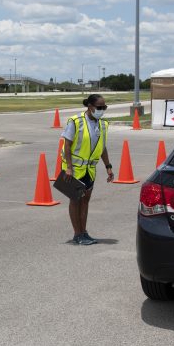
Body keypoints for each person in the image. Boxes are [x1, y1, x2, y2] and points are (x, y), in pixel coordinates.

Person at [61, 94, 114, 245]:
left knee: (85, 201)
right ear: (90, 106)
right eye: (100, 107)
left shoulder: (102, 124)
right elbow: (67, 146)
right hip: (75, 169)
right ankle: (77, 234)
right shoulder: (76, 121)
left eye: (104, 107)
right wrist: (69, 168)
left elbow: (102, 147)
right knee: (75, 200)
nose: (102, 110)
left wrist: (108, 167)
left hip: (90, 170)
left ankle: (84, 232)